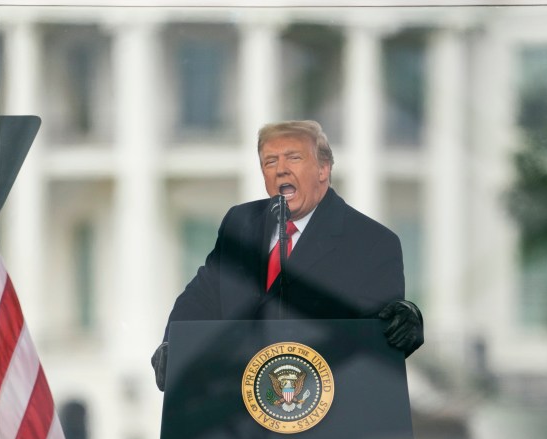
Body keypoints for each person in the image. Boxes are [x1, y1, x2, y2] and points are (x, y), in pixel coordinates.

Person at [151, 120, 422, 391]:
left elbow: (383, 330)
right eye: (270, 162)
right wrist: (172, 346)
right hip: (236, 407)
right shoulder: (240, 223)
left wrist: (405, 320)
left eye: (294, 158)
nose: (281, 170)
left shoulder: (371, 241)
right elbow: (201, 298)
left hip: (324, 408)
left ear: (323, 169)